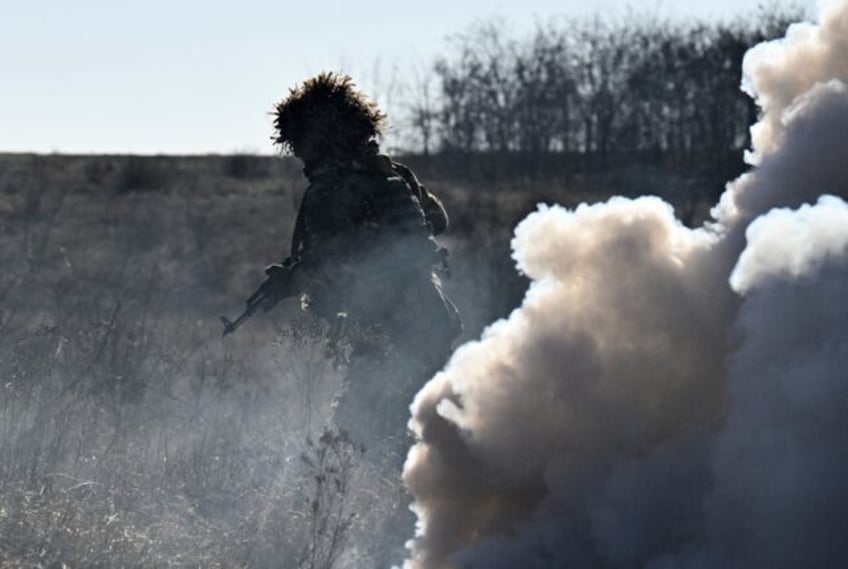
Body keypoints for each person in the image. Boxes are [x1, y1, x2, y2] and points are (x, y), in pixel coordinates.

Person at [273, 72, 462, 376]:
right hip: (432, 318)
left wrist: (291, 282)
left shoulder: (328, 193)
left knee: (363, 422)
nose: (298, 154)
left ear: (316, 141)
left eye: (299, 143)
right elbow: (438, 219)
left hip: (385, 334)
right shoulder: (393, 173)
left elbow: (331, 273)